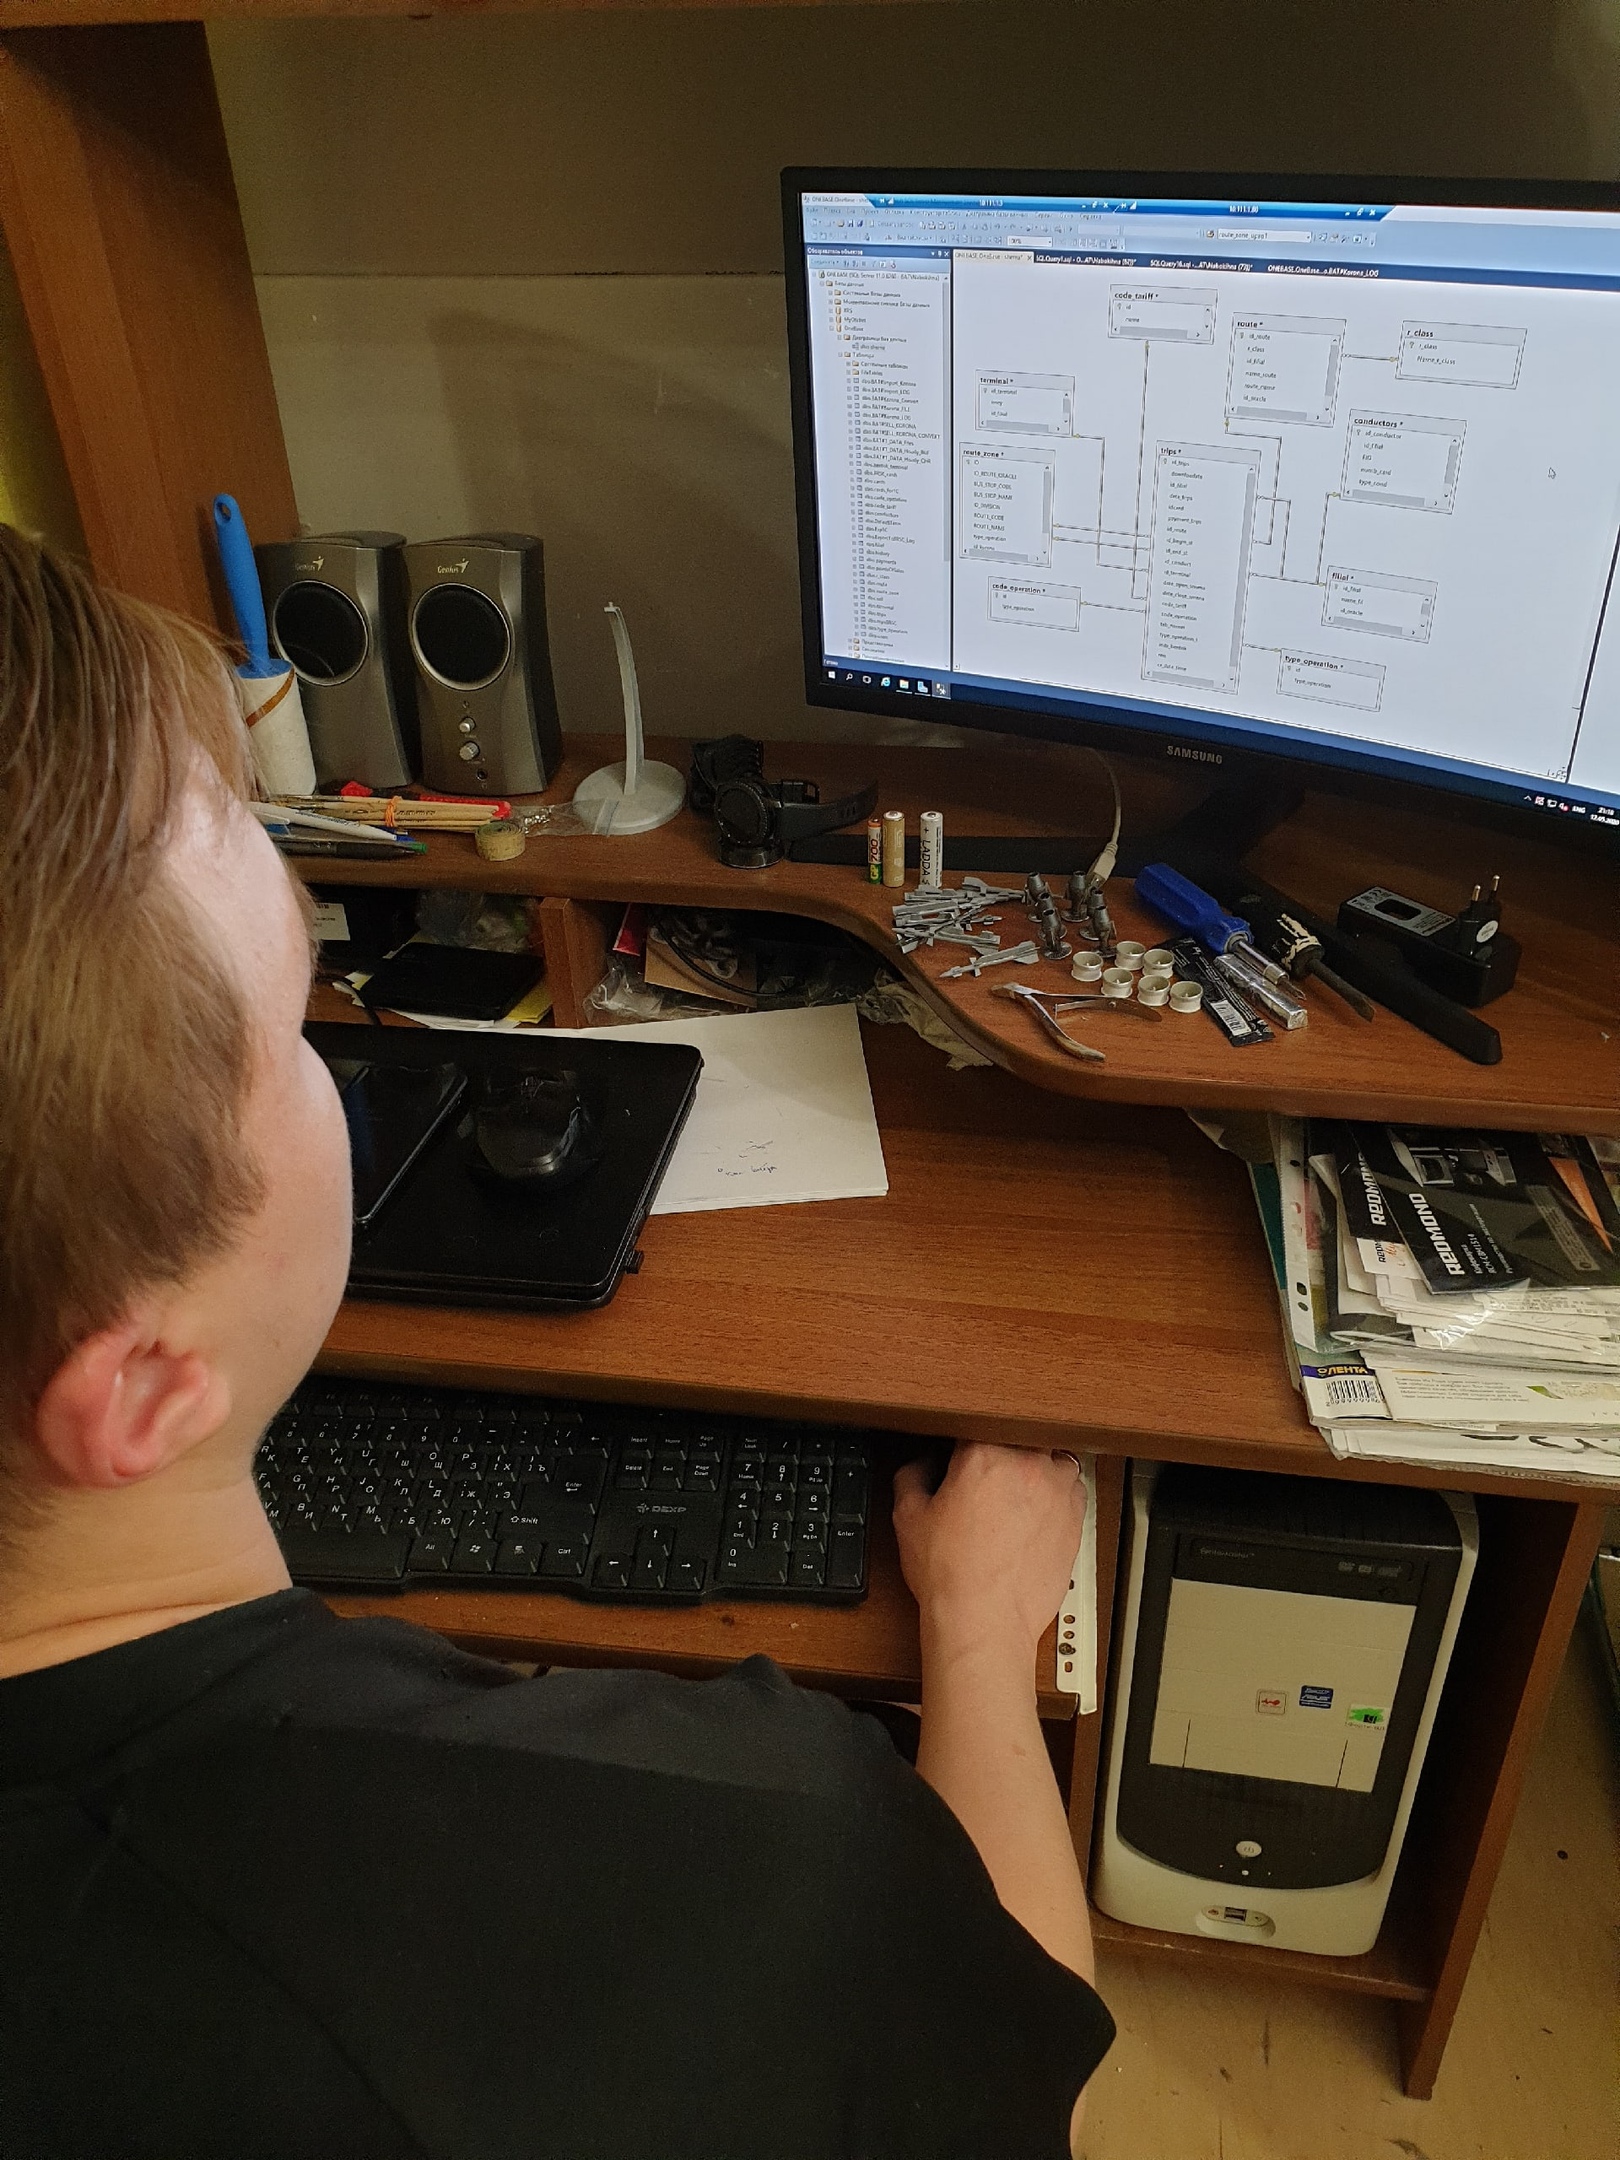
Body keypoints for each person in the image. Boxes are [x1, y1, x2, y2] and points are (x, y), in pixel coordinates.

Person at [0, 527, 1113, 2159]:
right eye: (302, 1031)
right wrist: (980, 1632)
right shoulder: (746, 1849)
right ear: (144, 1391)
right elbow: (1019, 2048)